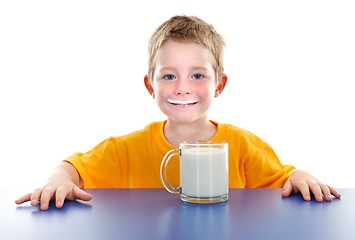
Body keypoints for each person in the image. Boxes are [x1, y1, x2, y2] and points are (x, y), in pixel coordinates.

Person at [16, 15, 341, 211]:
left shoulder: (243, 146)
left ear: (219, 84)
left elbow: (283, 178)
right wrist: (57, 180)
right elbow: (72, 167)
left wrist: (301, 176)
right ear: (150, 85)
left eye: (197, 75)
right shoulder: (124, 150)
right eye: (169, 75)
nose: (183, 88)